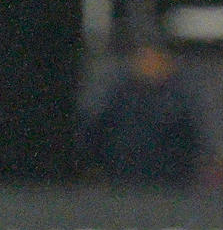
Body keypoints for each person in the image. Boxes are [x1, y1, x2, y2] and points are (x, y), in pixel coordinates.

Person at [78, 39, 201, 185]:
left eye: (156, 60)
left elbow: (190, 142)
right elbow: (96, 132)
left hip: (168, 185)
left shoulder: (177, 101)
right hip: (121, 181)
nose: (150, 65)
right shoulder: (119, 97)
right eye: (144, 59)